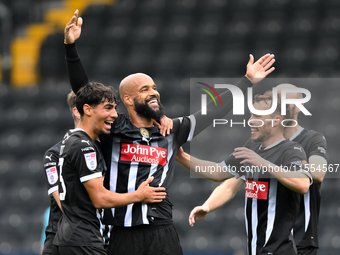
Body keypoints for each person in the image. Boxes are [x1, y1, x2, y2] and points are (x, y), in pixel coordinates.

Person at [63, 10, 275, 255]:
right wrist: (70, 47)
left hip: (162, 232)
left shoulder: (172, 130)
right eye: (145, 90)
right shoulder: (113, 128)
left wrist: (247, 81)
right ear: (128, 100)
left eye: (155, 88)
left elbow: (213, 111)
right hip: (122, 231)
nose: (154, 93)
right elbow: (83, 92)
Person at [176, 90, 312, 254]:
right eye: (251, 115)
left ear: (276, 121)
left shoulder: (291, 150)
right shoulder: (252, 147)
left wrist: (263, 163)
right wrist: (182, 157)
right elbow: (219, 174)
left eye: (257, 117)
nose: (250, 121)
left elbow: (303, 183)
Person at [52, 82, 167, 255]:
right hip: (82, 239)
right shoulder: (84, 147)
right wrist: (139, 195)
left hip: (74, 236)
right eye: (107, 108)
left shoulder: (75, 140)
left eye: (114, 108)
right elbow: (100, 199)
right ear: (87, 109)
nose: (114, 115)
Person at [276, 84, 327, 255]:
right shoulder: (263, 143)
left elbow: (318, 173)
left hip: (301, 240)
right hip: (270, 241)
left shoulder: (313, 139)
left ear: (300, 106)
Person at [41, 91, 79, 255]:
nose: (112, 114)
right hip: (61, 243)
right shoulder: (54, 154)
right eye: (106, 108)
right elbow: (65, 206)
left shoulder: (106, 151)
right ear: (78, 111)